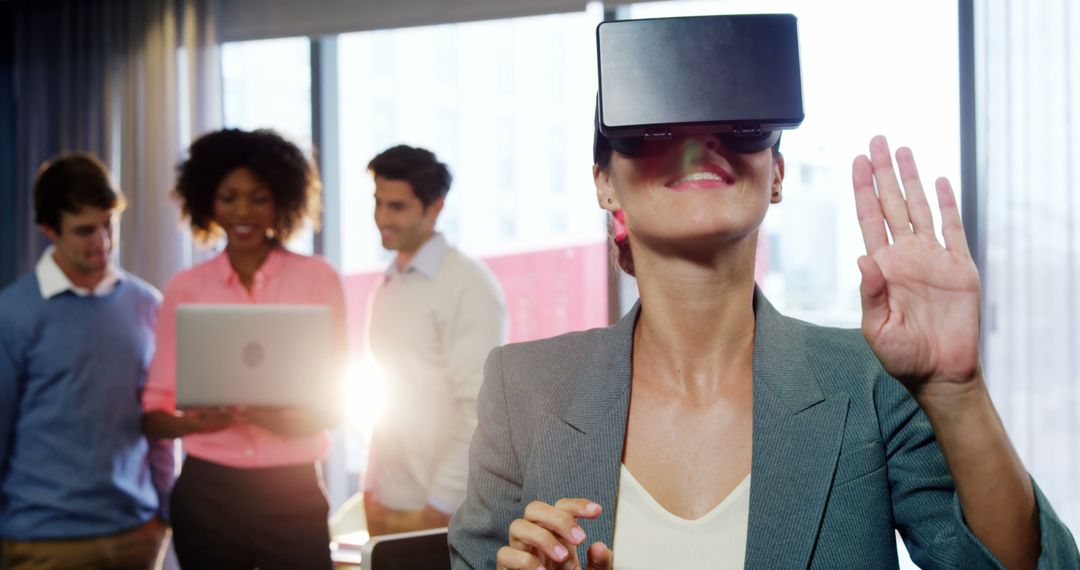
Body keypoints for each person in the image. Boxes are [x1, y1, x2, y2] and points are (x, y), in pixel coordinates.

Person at [448, 55, 1080, 570]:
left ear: (776, 175)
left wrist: (956, 392)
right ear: (604, 183)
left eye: (741, 124)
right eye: (656, 124)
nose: (701, 140)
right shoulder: (523, 387)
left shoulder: (870, 382)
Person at [141, 129, 347, 570]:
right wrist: (198, 422)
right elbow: (154, 412)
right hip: (208, 493)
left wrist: (279, 419)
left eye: (258, 197)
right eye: (228, 197)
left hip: (292, 492)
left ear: (281, 201)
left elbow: (335, 404)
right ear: (207, 202)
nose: (243, 212)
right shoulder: (186, 288)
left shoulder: (317, 279)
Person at [0, 154, 172, 569]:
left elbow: (161, 419)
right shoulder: (13, 313)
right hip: (45, 539)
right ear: (49, 230)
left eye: (109, 223)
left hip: (136, 533)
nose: (102, 241)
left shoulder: (147, 304)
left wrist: (165, 512)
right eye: (84, 230)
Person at [363, 144, 508, 536]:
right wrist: (371, 482)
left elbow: (478, 410)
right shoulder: (390, 282)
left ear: (436, 207)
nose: (382, 218)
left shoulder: (468, 286)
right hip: (387, 502)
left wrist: (442, 504)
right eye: (378, 202)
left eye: (397, 207)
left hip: (439, 512)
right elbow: (388, 393)